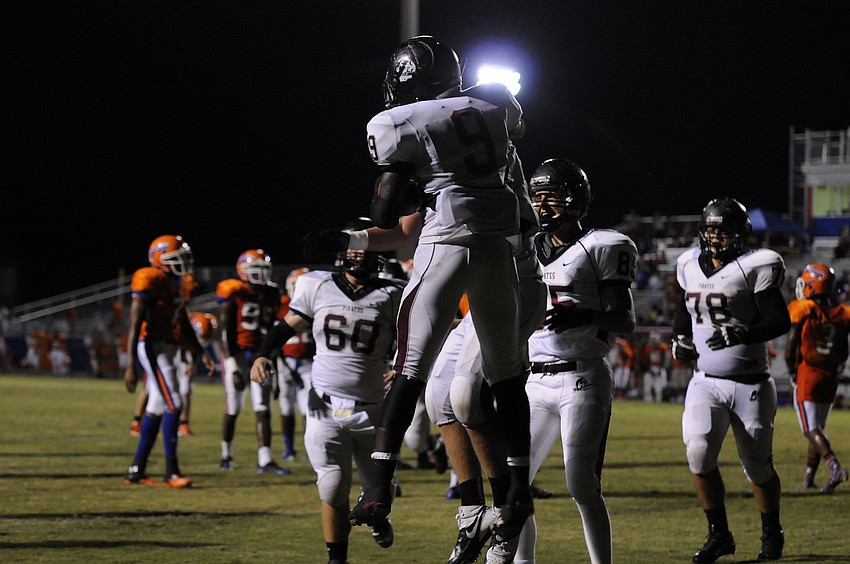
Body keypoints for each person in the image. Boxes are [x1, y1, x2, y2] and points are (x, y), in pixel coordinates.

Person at [306, 34, 535, 540]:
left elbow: (389, 211)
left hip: (446, 243)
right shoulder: (496, 104)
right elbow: (508, 136)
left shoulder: (396, 124)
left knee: (410, 369)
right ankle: (518, 486)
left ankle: (380, 486)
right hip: (497, 249)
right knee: (505, 377)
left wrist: (400, 189)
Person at [250, 218, 404, 564]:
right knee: (332, 487)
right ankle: (337, 559)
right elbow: (286, 325)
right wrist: (263, 354)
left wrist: (401, 367)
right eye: (355, 248)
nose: (361, 255)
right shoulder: (315, 284)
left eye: (367, 248)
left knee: (381, 492)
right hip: (325, 405)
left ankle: (378, 517)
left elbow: (416, 335)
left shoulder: (394, 293)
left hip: (374, 410)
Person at [515, 158, 638, 564]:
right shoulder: (524, 248)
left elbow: (625, 321)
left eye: (550, 196)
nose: (541, 205)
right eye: (536, 197)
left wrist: (584, 315)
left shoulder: (602, 245)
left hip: (582, 376)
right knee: (513, 483)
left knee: (581, 483)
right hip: (534, 380)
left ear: (574, 199)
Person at [671, 197, 790, 562]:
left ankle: (772, 531)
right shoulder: (688, 264)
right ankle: (719, 535)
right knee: (698, 452)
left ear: (740, 234)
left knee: (756, 465)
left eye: (723, 231)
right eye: (710, 230)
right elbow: (684, 310)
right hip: (705, 380)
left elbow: (779, 321)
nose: (716, 237)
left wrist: (742, 334)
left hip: (750, 383)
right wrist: (679, 341)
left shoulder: (757, 265)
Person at [123, 235, 215, 488]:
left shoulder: (178, 284)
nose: (182, 264)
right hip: (152, 346)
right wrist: (131, 364)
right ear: (158, 260)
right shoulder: (148, 278)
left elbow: (183, 323)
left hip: (168, 347)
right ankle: (171, 471)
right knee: (174, 404)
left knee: (155, 408)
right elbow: (134, 325)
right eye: (176, 259)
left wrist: (202, 353)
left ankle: (136, 470)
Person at [217, 249, 290, 476]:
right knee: (234, 407)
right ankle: (226, 455)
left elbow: (273, 334)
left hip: (261, 355)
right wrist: (232, 367)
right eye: (256, 269)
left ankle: (265, 459)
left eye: (264, 269)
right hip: (238, 354)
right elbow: (225, 332)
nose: (262, 274)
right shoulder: (234, 292)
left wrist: (274, 364)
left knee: (263, 409)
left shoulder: (271, 294)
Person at [785, 263, 850, 493]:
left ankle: (835, 468)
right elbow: (843, 351)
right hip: (830, 375)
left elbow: (791, 345)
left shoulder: (803, 308)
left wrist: (792, 369)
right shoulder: (842, 313)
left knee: (809, 429)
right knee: (818, 429)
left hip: (809, 373)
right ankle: (809, 478)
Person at [276, 267, 314, 462]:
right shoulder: (281, 305)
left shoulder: (317, 304)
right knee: (286, 407)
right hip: (285, 362)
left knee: (308, 408)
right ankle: (289, 448)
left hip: (309, 361)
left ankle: (310, 448)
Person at [174, 311, 220, 437]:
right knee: (181, 391)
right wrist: (190, 362)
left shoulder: (198, 323)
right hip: (176, 357)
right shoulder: (185, 325)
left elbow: (196, 345)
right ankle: (179, 424)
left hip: (183, 357)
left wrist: (192, 363)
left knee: (185, 391)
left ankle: (183, 424)